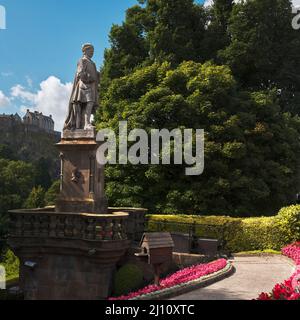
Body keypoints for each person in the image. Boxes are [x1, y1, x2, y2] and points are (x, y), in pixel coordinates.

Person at [64, 43, 100, 130]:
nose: (92, 53)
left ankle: (85, 123)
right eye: (91, 51)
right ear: (85, 51)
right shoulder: (82, 60)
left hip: (91, 86)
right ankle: (86, 123)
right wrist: (90, 78)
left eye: (93, 51)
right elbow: (80, 73)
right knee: (88, 103)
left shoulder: (93, 63)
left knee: (88, 104)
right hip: (84, 86)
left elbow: (95, 74)